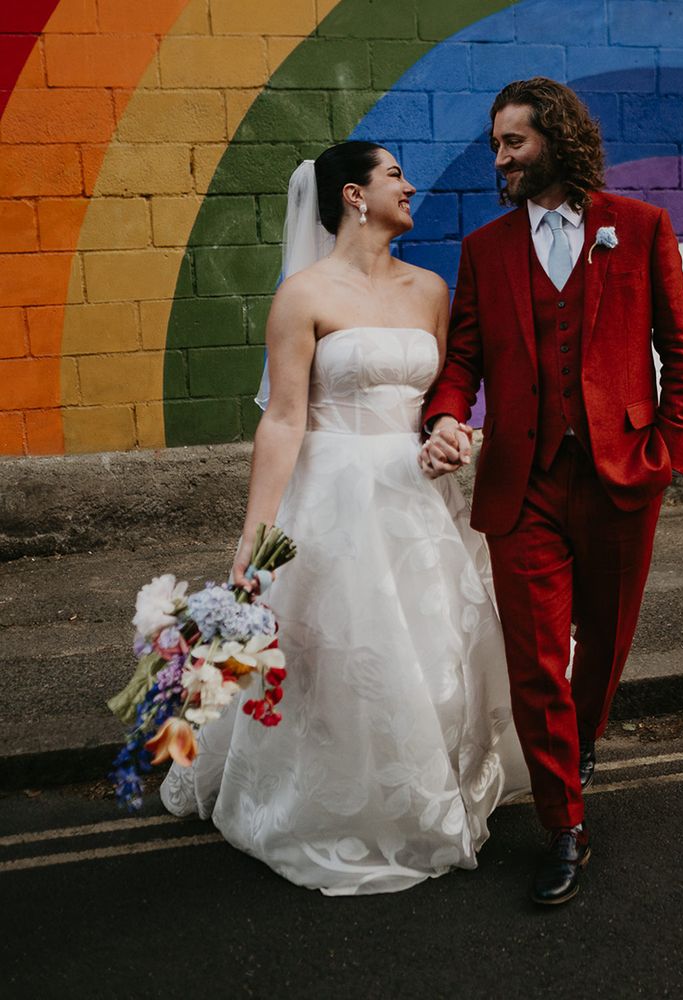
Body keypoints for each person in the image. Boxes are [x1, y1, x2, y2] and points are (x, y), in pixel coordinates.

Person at [160, 141, 530, 896]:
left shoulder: (431, 288)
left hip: (416, 495)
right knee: (342, 650)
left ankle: (428, 785)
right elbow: (285, 422)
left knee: (432, 644)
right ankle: (334, 798)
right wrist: (255, 537)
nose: (410, 185)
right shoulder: (304, 295)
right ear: (355, 196)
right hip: (333, 494)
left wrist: (448, 433)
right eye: (395, 174)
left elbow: (443, 399)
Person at [419, 78, 683, 905]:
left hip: (622, 475)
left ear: (555, 140)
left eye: (513, 142)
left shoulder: (641, 228)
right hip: (523, 484)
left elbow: (678, 350)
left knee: (604, 644)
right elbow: (463, 358)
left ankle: (579, 746)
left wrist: (669, 451)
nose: (498, 157)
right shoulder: (486, 250)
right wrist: (442, 416)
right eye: (496, 143)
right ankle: (563, 822)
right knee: (535, 658)